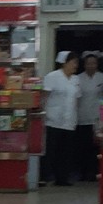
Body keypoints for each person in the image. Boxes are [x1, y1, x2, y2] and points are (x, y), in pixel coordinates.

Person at [41, 50, 81, 187]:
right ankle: (44, 176)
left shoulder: (76, 79)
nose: (76, 65)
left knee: (66, 152)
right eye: (73, 62)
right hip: (53, 120)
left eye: (77, 62)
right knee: (50, 150)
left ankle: (62, 178)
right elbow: (44, 97)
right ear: (64, 63)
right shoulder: (52, 76)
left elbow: (77, 99)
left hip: (70, 120)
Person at [75, 53, 103, 181]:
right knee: (82, 146)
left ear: (97, 64)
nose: (91, 66)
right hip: (82, 116)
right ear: (84, 65)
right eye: (88, 63)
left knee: (96, 147)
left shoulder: (102, 77)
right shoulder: (78, 78)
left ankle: (95, 172)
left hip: (97, 118)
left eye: (94, 63)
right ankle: (82, 173)